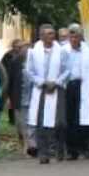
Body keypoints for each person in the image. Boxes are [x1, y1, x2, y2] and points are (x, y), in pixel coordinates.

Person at [27, 24, 69, 164]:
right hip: (41, 90)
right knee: (41, 123)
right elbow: (29, 71)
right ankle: (43, 153)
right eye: (49, 34)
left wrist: (56, 82)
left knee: (60, 122)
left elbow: (67, 70)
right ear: (42, 36)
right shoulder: (34, 52)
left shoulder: (61, 51)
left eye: (53, 33)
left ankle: (59, 148)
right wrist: (42, 82)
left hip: (57, 89)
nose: (52, 36)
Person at [63, 24, 89, 160]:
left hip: (84, 86)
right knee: (70, 118)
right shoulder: (63, 51)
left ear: (80, 36)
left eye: (76, 35)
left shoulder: (88, 51)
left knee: (83, 118)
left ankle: (84, 147)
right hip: (68, 86)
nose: (74, 38)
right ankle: (72, 150)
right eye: (71, 35)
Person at [2, 39, 23, 124]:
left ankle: (17, 118)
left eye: (20, 47)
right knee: (11, 99)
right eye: (17, 47)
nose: (19, 48)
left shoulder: (23, 55)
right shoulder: (8, 56)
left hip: (18, 80)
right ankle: (12, 119)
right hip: (9, 79)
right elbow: (4, 67)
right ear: (13, 47)